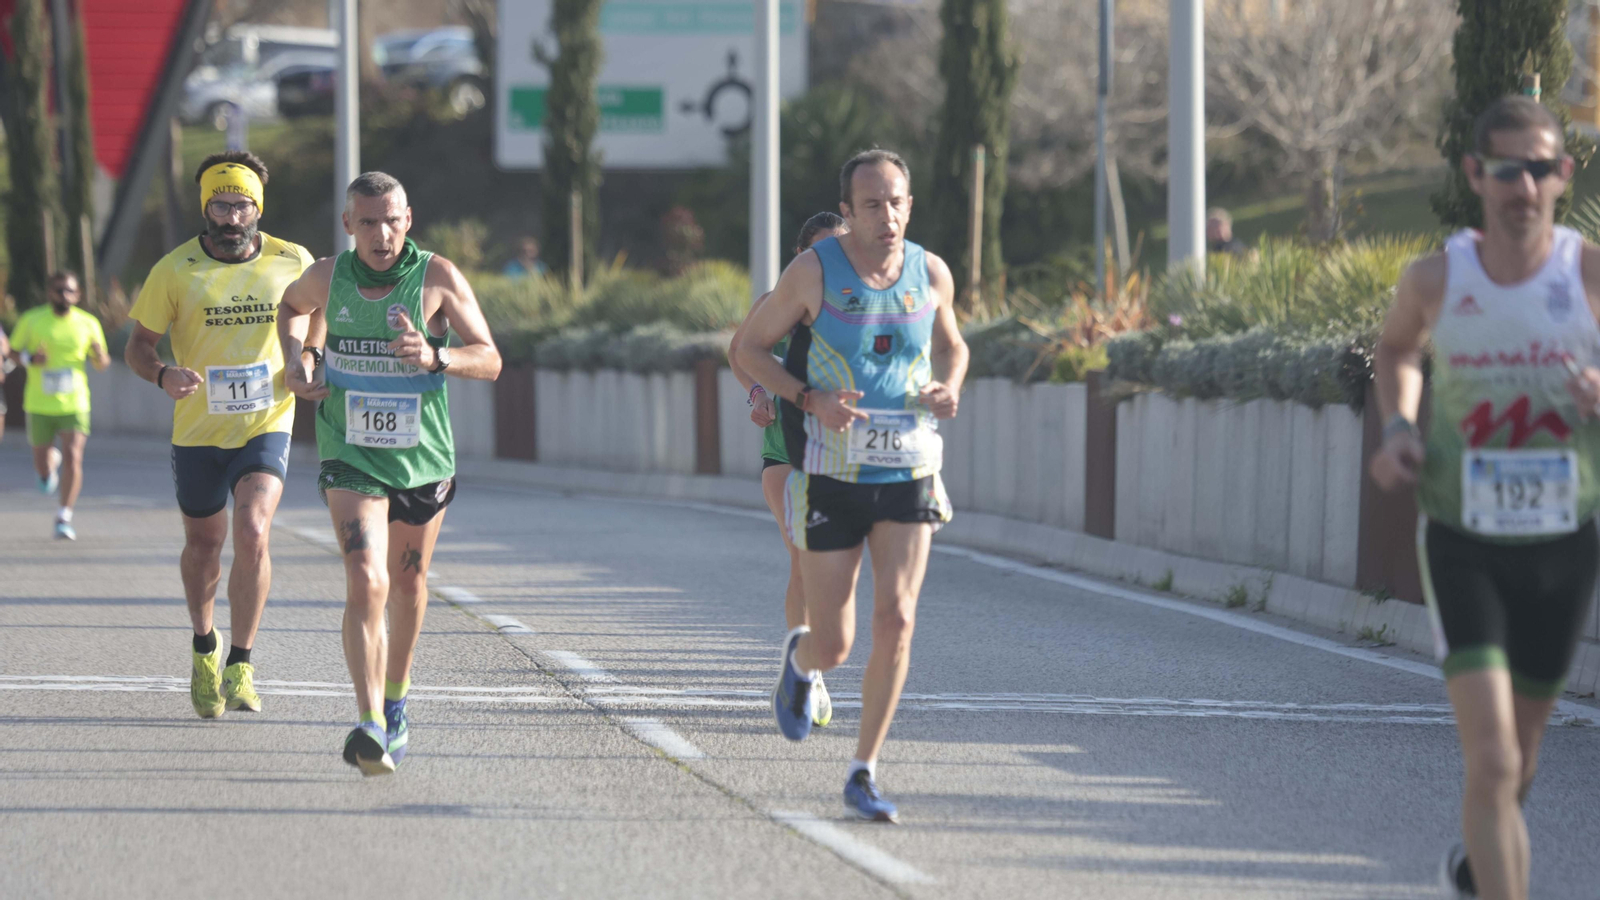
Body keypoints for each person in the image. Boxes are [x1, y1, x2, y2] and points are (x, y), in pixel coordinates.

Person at [1370, 96, 1599, 900]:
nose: (1523, 187)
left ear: (1563, 176)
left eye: (1540, 169)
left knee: (1522, 762)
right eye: (1507, 169)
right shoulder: (1438, 277)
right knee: (1495, 759)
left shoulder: (1589, 274)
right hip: (1464, 537)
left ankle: (1472, 870)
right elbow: (1397, 346)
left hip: (1565, 542)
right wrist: (1400, 424)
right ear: (1476, 174)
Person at [733, 149, 968, 822]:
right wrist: (807, 399)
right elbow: (750, 348)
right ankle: (803, 665)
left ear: (909, 205)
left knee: (898, 617)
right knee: (834, 640)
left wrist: (946, 388)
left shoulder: (931, 272)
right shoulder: (812, 272)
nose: (887, 216)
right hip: (831, 470)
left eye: (896, 202)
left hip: (909, 466)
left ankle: (864, 770)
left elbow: (954, 345)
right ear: (847, 212)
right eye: (872, 205)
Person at [278, 171, 501, 776]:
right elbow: (291, 307)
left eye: (392, 220)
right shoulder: (329, 276)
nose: (382, 233)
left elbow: (491, 357)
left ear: (410, 219)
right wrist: (299, 360)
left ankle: (397, 698)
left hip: (423, 461)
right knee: (366, 579)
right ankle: (369, 721)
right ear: (349, 224)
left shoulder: (436, 278)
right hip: (349, 454)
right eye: (369, 222)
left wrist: (437, 355)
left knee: (405, 587)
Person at [125, 151, 316, 719]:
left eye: (241, 205)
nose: (231, 217)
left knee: (253, 529)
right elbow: (137, 345)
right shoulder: (174, 269)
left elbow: (318, 307)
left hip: (266, 420)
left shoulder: (292, 260)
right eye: (220, 204)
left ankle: (242, 662)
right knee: (204, 546)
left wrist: (308, 352)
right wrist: (162, 374)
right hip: (199, 429)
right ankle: (204, 646)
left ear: (257, 208)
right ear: (205, 207)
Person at [728, 211, 849, 730]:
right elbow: (740, 352)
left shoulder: (857, 307)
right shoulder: (775, 305)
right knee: (803, 558)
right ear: (801, 255)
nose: (830, 263)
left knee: (835, 570)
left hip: (846, 456)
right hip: (786, 452)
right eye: (820, 252)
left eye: (840, 251)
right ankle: (809, 674)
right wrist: (759, 393)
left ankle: (811, 659)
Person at [8, 271, 109, 539]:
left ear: (77, 295)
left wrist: (99, 356)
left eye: (69, 291)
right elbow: (12, 352)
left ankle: (64, 516)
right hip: (39, 403)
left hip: (75, 402)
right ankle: (48, 468)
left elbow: (102, 364)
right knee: (41, 466)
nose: (63, 295)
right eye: (58, 290)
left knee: (75, 456)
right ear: (49, 293)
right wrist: (31, 359)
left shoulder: (88, 323)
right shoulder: (32, 320)